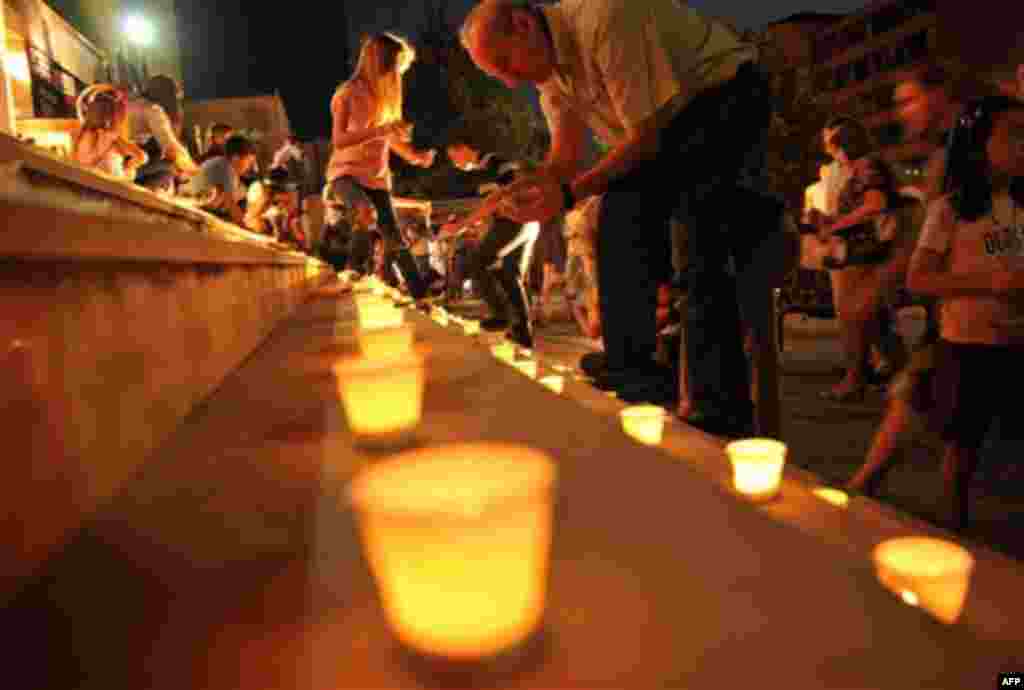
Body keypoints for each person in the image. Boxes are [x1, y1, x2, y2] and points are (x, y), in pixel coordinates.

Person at [459, 0, 790, 430]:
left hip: (723, 100)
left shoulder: (606, 18)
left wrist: (565, 194)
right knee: (617, 218)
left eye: (504, 61)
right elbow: (565, 160)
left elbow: (645, 141)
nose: (507, 79)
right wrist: (526, 188)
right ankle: (634, 373)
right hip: (663, 130)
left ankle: (719, 407)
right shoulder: (551, 76)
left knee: (700, 230)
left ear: (523, 24)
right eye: (495, 73)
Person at [905, 95, 1024, 530]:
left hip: (1014, 341)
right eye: (1014, 134)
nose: (1023, 144)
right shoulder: (951, 210)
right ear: (977, 145)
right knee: (962, 449)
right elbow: (918, 279)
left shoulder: (1019, 206)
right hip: (967, 346)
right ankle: (951, 532)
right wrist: (990, 285)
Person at [323, 32, 437, 302]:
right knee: (365, 211)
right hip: (345, 173)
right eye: (393, 68)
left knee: (394, 237)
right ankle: (351, 272)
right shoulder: (347, 93)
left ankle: (421, 295)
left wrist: (413, 156)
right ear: (378, 62)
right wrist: (382, 129)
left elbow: (387, 137)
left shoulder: (382, 98)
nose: (395, 76)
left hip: (376, 178)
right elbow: (339, 140)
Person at [806, 118, 902, 401]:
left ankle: (856, 380)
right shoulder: (859, 169)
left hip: (863, 253)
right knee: (868, 320)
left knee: (856, 319)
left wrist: (836, 225)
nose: (831, 152)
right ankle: (892, 377)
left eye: (833, 145)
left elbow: (875, 205)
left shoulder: (865, 168)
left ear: (843, 145)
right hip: (858, 252)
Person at [445, 137, 538, 347]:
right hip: (527, 221)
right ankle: (522, 332)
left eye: (453, 157)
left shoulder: (492, 163)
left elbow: (495, 200)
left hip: (516, 221)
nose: (455, 164)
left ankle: (501, 315)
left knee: (477, 261)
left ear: (464, 147)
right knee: (509, 273)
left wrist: (461, 225)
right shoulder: (491, 165)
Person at [126, 75, 199, 193]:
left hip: (119, 160)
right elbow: (171, 146)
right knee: (169, 166)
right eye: (177, 99)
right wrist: (194, 170)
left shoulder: (131, 104)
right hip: (132, 165)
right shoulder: (153, 110)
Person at [72, 84, 147, 180]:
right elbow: (142, 157)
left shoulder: (79, 134)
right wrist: (128, 167)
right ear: (116, 117)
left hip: (85, 180)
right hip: (112, 185)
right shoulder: (112, 137)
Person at [182, 135, 258, 226]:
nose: (249, 167)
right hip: (192, 205)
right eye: (249, 162)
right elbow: (230, 204)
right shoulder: (226, 168)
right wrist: (245, 225)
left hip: (197, 204)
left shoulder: (221, 163)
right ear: (236, 158)